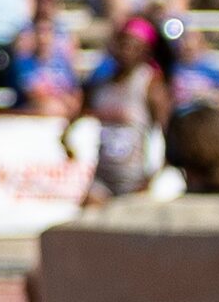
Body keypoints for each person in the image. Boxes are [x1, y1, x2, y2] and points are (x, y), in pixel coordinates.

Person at [65, 14, 170, 205]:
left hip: (136, 179)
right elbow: (75, 121)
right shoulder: (101, 85)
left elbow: (166, 133)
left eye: (134, 46)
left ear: (145, 51)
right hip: (103, 178)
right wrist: (72, 146)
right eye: (124, 44)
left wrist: (153, 176)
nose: (126, 51)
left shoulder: (150, 85)